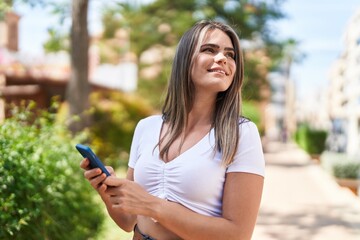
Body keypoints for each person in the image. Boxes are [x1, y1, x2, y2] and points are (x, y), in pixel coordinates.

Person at [81, 20, 265, 240]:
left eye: (230, 54)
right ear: (185, 60)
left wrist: (151, 204)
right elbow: (129, 221)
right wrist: (108, 191)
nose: (223, 58)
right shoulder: (146, 127)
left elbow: (237, 235)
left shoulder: (241, 133)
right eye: (209, 49)